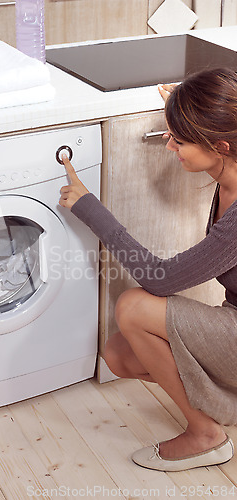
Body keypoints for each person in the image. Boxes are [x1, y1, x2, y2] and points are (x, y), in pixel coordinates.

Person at [59, 67, 237, 472]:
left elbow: (162, 279)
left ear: (221, 144)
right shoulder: (229, 164)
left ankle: (206, 437)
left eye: (179, 139)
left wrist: (91, 208)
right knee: (121, 355)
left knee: (135, 306)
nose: (169, 145)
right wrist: (185, 107)